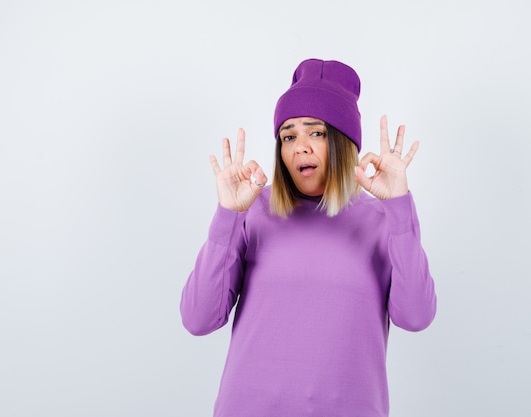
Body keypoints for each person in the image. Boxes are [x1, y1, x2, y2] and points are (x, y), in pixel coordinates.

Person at [180, 58, 437, 417]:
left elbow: (416, 316)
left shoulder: (383, 219)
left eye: (315, 132)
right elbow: (198, 319)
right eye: (288, 136)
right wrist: (227, 213)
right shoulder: (254, 211)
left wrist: (399, 207)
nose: (300, 146)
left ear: (344, 140)